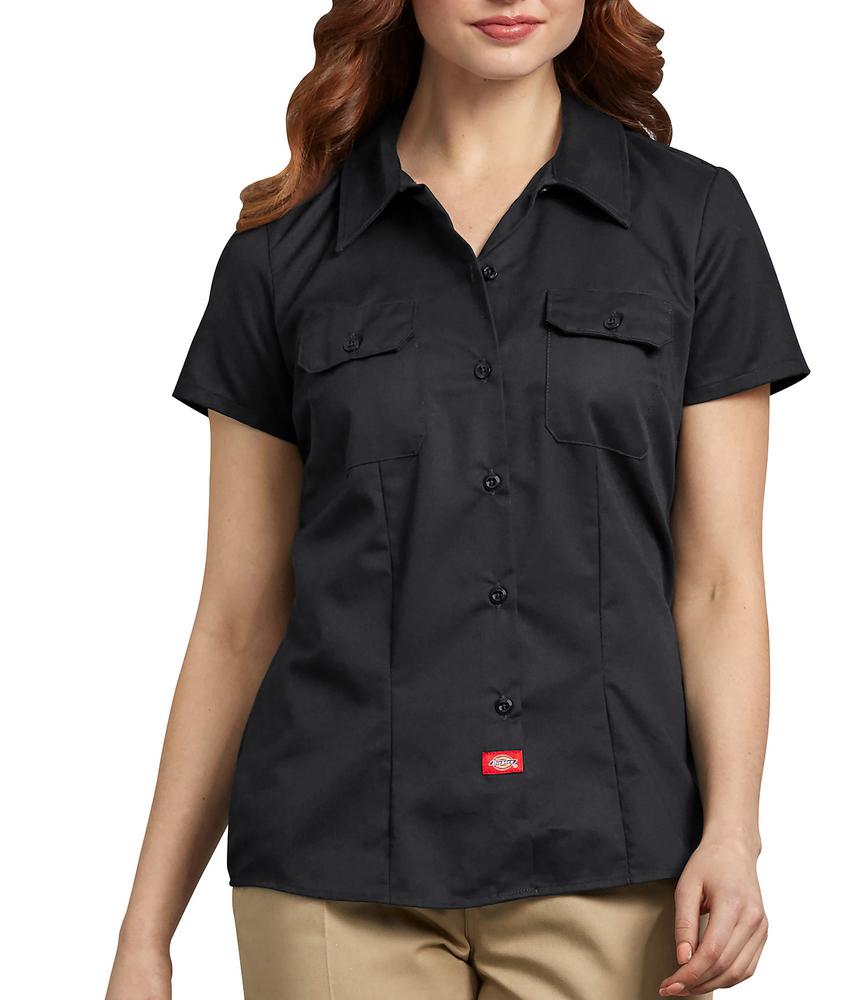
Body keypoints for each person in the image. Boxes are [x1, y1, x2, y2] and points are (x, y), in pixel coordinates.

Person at [106, 2, 811, 998]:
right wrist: (146, 932)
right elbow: (238, 617)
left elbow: (719, 583)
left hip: (613, 861)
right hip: (332, 863)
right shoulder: (283, 249)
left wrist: (733, 834)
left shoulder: (692, 221)